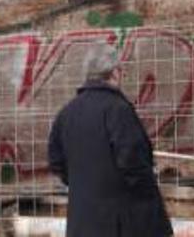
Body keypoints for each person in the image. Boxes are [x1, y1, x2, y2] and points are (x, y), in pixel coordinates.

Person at [48, 43, 173, 237]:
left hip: (82, 220)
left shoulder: (66, 114)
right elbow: (133, 162)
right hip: (122, 221)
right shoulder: (118, 110)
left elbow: (56, 161)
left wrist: (84, 185)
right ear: (115, 73)